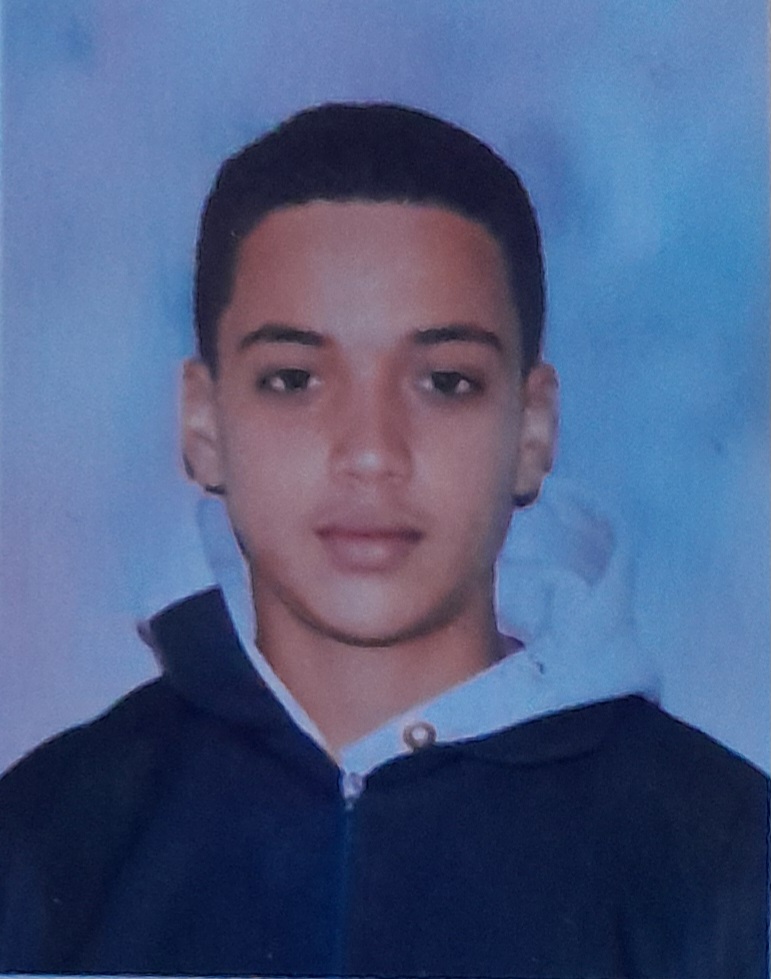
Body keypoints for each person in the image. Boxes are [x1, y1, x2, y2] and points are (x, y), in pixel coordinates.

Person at [0, 103, 767, 978]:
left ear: (532, 429)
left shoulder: (731, 860)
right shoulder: (42, 841)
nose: (370, 452)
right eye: (293, 379)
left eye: (445, 382)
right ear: (204, 423)